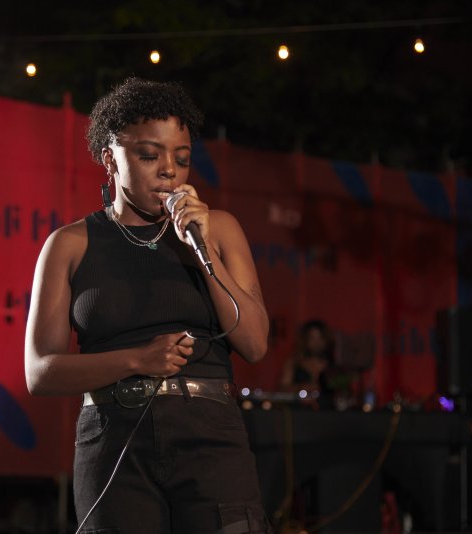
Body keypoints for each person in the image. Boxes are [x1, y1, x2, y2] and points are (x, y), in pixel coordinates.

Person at [24, 77, 272, 534]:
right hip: (113, 436)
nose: (168, 171)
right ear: (110, 160)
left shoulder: (218, 229)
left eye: (181, 158)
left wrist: (202, 250)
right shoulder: (70, 244)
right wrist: (137, 360)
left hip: (210, 436)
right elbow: (40, 372)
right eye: (148, 155)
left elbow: (254, 342)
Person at [279, 319, 335, 409]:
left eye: (320, 338)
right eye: (312, 338)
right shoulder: (294, 363)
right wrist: (302, 387)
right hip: (299, 412)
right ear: (305, 340)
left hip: (327, 412)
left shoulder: (333, 365)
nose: (317, 343)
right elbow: (282, 389)